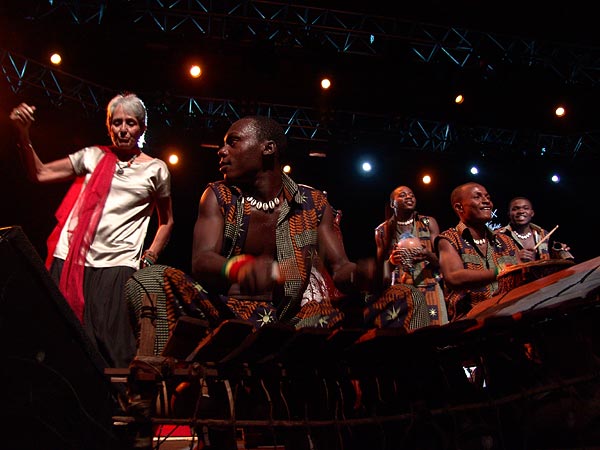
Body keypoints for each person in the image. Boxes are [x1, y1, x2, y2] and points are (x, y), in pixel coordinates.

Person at [9, 93, 174, 369]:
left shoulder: (156, 170)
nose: (123, 129)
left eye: (130, 123)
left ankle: (117, 407)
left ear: (142, 128)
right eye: (117, 122)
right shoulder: (94, 155)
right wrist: (24, 134)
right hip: (72, 257)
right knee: (66, 336)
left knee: (112, 343)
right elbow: (39, 174)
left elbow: (167, 221)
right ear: (109, 126)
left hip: (119, 262)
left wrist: (152, 255)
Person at [435, 182, 520, 321]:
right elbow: (454, 277)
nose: (486, 201)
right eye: (477, 197)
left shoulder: (506, 241)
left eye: (487, 197)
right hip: (471, 325)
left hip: (510, 318)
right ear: (459, 207)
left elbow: (522, 273)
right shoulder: (449, 239)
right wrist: (500, 272)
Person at [374, 185, 447, 325]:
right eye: (402, 195)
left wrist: (427, 254)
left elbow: (442, 260)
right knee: (408, 339)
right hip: (400, 291)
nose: (409, 197)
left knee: (438, 336)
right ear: (392, 204)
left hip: (429, 286)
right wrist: (391, 261)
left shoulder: (428, 222)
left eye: (411, 195)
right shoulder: (382, 231)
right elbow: (379, 272)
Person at [496, 196, 573, 262]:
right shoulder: (498, 236)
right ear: (509, 214)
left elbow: (551, 261)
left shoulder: (543, 234)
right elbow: (493, 264)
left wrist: (559, 252)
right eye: (515, 209)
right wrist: (515, 259)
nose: (521, 211)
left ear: (532, 213)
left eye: (526, 208)